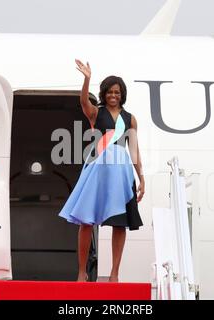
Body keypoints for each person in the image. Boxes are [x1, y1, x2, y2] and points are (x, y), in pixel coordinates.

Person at [58, 59, 145, 282]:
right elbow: (83, 101)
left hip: (121, 172)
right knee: (87, 220)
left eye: (117, 92)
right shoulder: (96, 113)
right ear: (104, 94)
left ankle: (114, 273)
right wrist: (87, 79)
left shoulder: (130, 119)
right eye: (109, 92)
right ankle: (81, 271)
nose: (113, 95)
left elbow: (133, 150)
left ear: (122, 94)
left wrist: (141, 177)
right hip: (98, 168)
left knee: (120, 222)